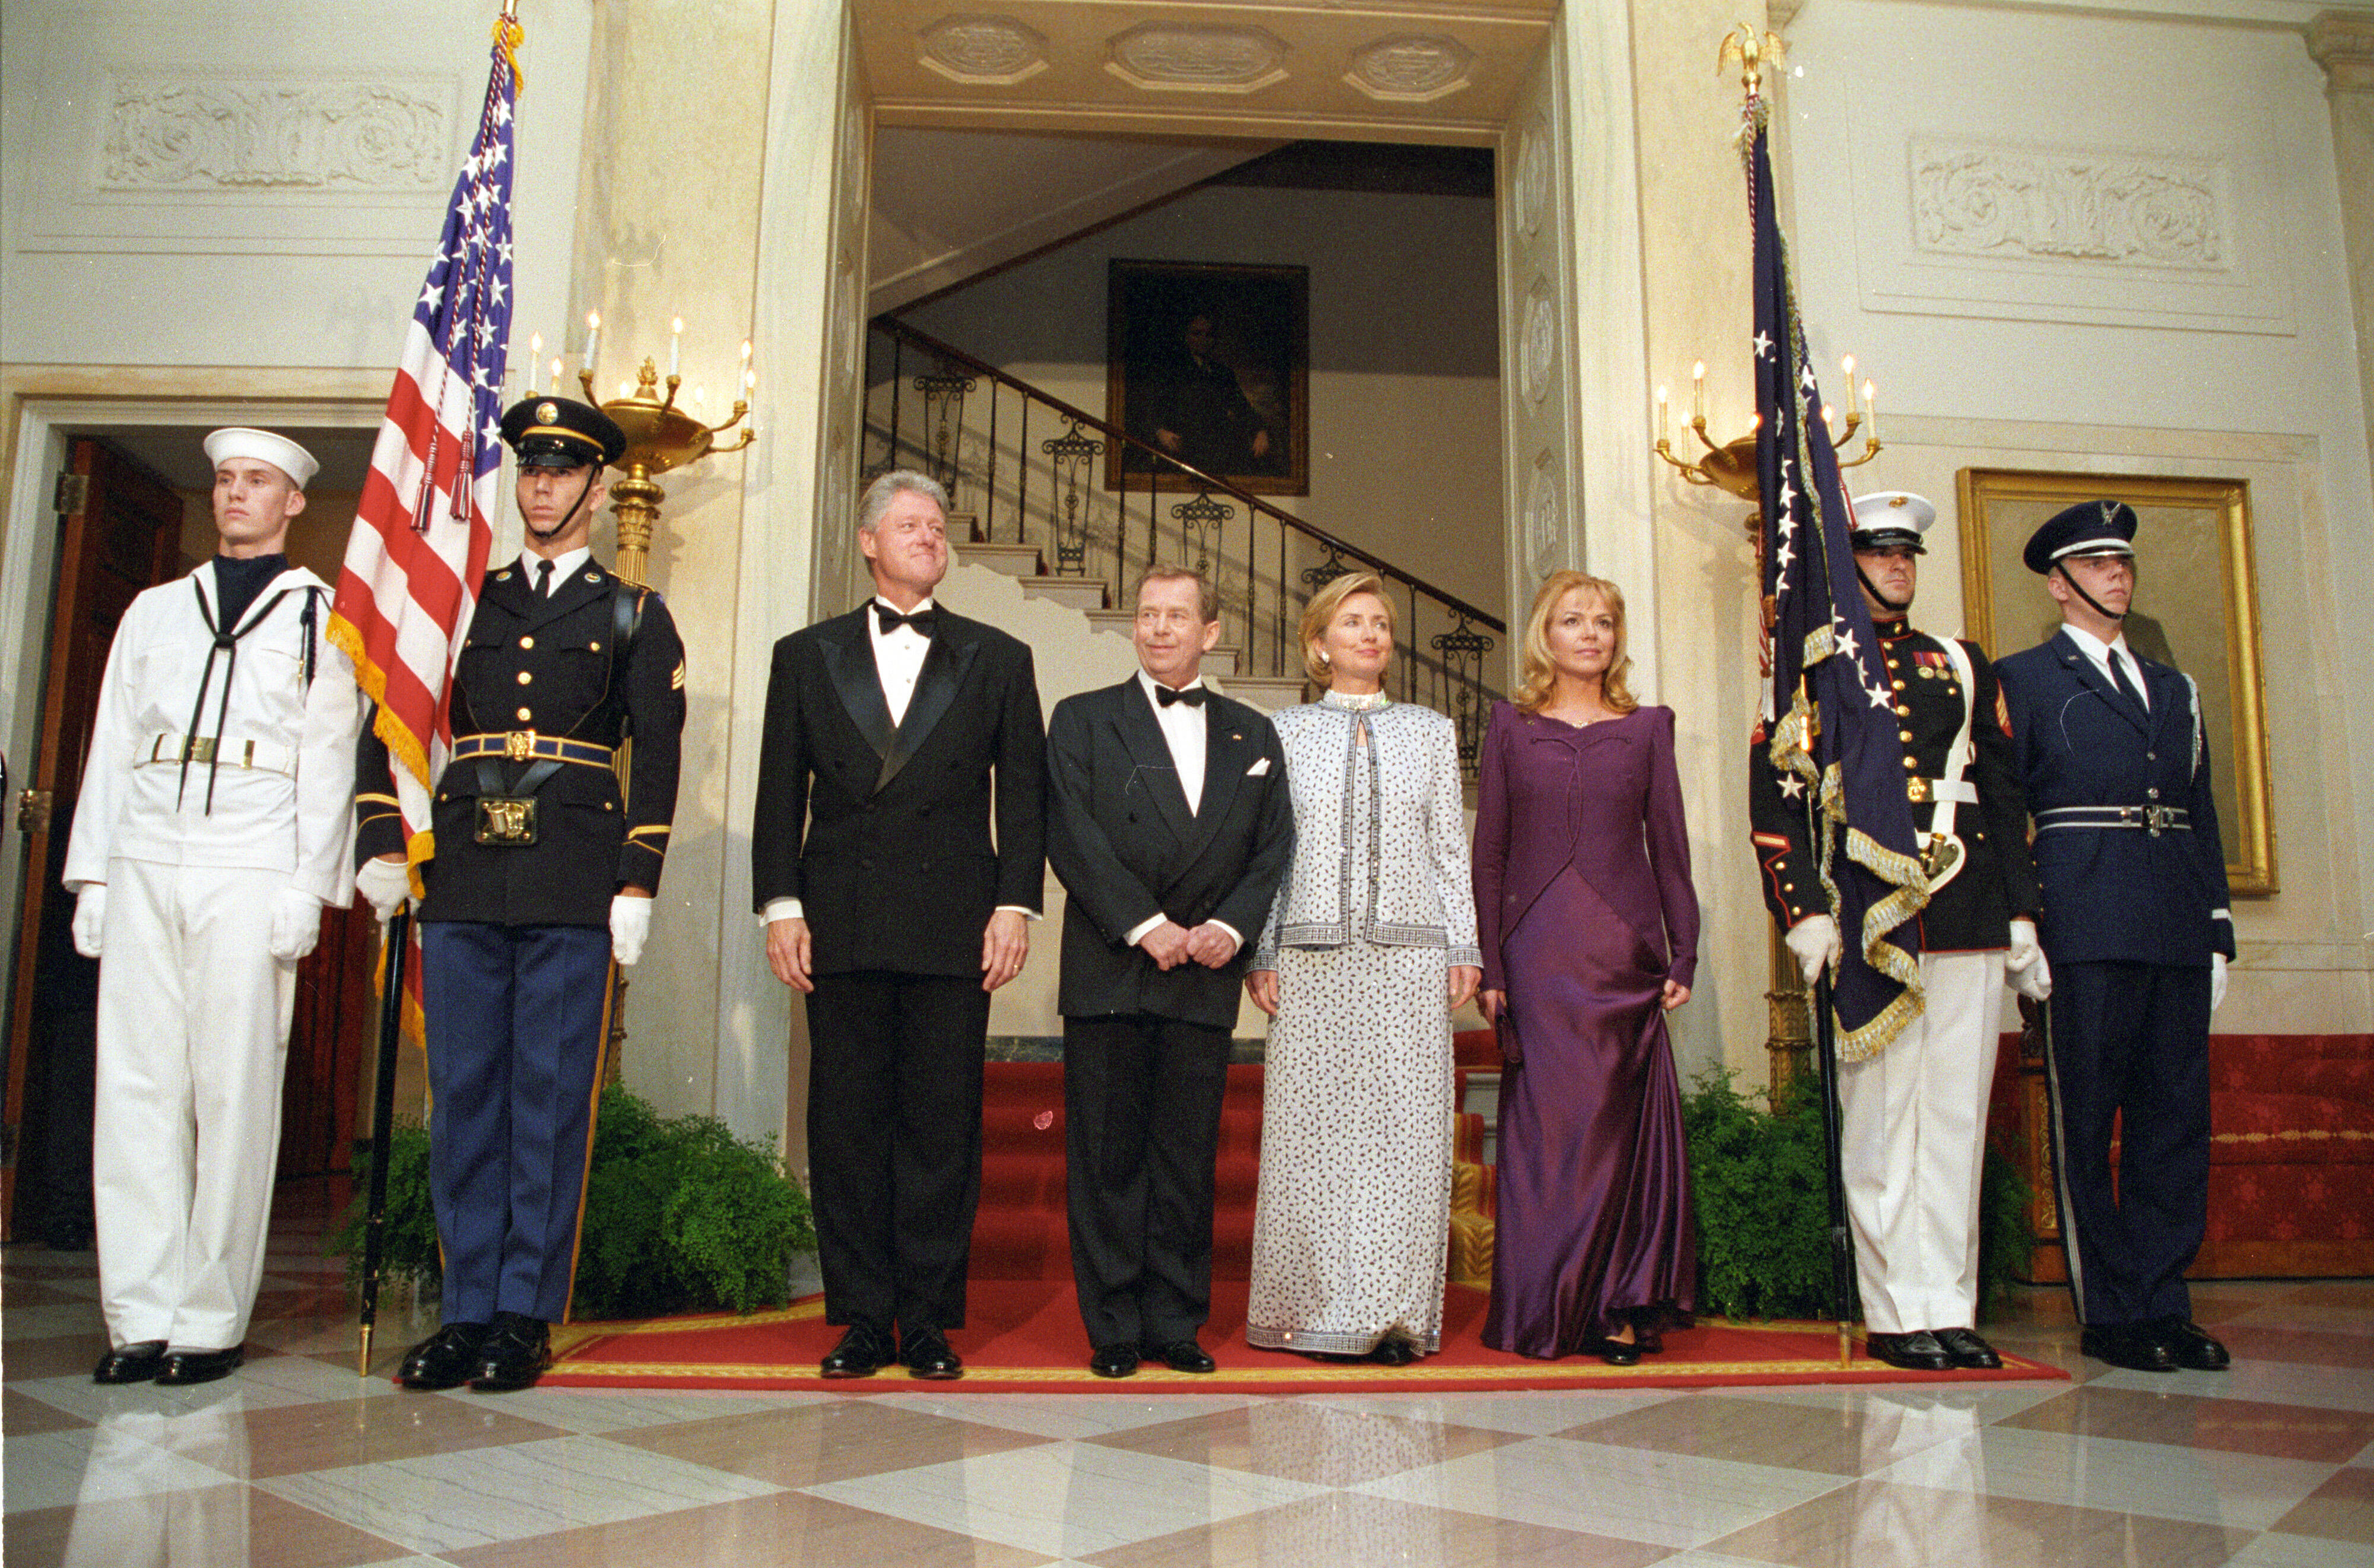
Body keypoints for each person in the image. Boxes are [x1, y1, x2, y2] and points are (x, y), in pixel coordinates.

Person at [355, 395, 685, 1394]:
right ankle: (463, 1310)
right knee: (463, 1096)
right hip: (459, 866)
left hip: (571, 872)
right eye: (529, 469)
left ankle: (522, 1312)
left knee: (546, 1099)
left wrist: (638, 876)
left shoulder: (632, 611)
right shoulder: (458, 601)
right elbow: (398, 715)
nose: (541, 485)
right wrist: (381, 835)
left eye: (561, 470)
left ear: (594, 488)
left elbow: (660, 755)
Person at [65, 427, 361, 1386]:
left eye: (258, 481)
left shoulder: (321, 617)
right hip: (149, 843)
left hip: (249, 852)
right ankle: (137, 1311)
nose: (236, 494)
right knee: (138, 1085)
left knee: (231, 1089)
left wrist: (307, 886)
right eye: (227, 479)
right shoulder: (155, 611)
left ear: (292, 504)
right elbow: (110, 742)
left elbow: (325, 762)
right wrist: (95, 874)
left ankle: (208, 1315)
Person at [753, 469, 1046, 1382]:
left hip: (953, 922)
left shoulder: (999, 656)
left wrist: (1015, 903)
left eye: (938, 525)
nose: (930, 536)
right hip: (839, 915)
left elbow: (1025, 797)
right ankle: (860, 1317)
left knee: (939, 1124)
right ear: (870, 541)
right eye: (910, 524)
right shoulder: (805, 654)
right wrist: (782, 905)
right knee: (846, 1124)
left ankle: (926, 1318)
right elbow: (777, 796)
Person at [1750, 493, 2049, 1373]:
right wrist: (1801, 906)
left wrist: (2024, 911)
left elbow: (2003, 791)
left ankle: (1947, 1302)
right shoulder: (1819, 672)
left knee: (1954, 1117)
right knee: (1884, 1120)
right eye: (1878, 555)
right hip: (1874, 915)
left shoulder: (1959, 661)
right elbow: (1778, 797)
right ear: (1849, 566)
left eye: (1906, 556)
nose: (1896, 569)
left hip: (1965, 909)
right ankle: (1893, 1309)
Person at [1995, 498, 2235, 1375]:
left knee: (2176, 1123)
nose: (2117, 575)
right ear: (2059, 585)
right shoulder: (2023, 680)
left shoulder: (2175, 688)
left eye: (2123, 563)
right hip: (2085, 921)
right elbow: (2005, 808)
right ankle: (2112, 1309)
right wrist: (2024, 921)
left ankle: (2167, 1302)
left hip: (2171, 919)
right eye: (2097, 566)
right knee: (2087, 1118)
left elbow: (2197, 808)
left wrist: (2216, 927)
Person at [1045, 566, 1294, 1378]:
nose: (1158, 628)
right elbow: (1071, 832)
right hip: (1115, 965)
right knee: (1109, 1158)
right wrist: (1147, 925)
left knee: (1186, 1161)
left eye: (1176, 616)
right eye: (1147, 613)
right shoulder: (1081, 720)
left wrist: (1228, 928)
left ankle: (1175, 1324)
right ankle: (1114, 1326)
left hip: (1205, 972)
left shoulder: (1253, 734)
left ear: (1209, 633)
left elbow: (1272, 845)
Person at [1242, 572, 1480, 1364]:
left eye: (1380, 622)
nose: (1371, 634)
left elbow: (1450, 848)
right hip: (1312, 961)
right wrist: (1265, 947)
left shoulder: (1431, 730)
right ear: (1320, 644)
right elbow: (1269, 854)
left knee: (1403, 1139)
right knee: (1316, 1141)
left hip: (1409, 961)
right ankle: (1309, 1310)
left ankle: (1393, 1314)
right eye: (1353, 622)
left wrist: (1463, 942)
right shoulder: (1282, 732)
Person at [1472, 572, 1700, 1365]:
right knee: (1547, 1133)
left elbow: (1669, 845)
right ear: (1547, 634)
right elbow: (1490, 851)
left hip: (1623, 950)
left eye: (1603, 621)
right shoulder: (1510, 724)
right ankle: (1545, 1306)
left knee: (1614, 1130)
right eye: (1573, 620)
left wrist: (1687, 945)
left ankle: (1616, 1302)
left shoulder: (1647, 727)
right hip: (1537, 952)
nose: (1590, 633)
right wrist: (1490, 961)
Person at [1134, 312, 1278, 477]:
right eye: (1197, 334)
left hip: (1216, 449)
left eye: (1209, 335)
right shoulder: (1170, 369)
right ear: (1187, 337)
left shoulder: (1222, 373)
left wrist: (1260, 431)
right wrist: (1160, 431)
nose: (1204, 339)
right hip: (1181, 448)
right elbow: (1150, 407)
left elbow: (1242, 407)